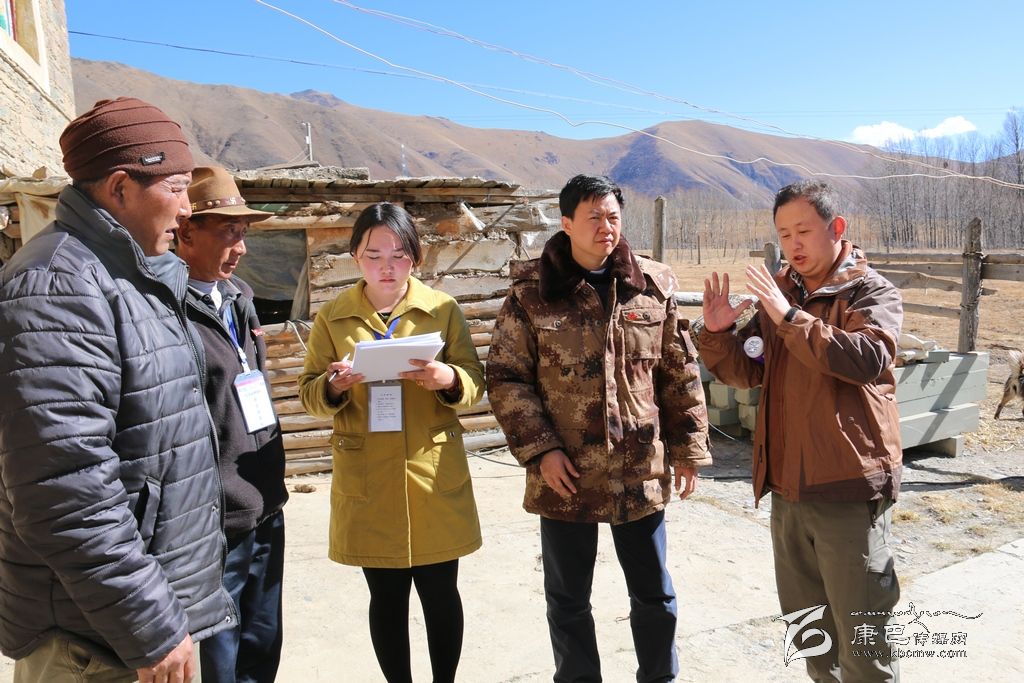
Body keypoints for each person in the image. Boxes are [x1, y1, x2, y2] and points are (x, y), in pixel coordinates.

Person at [0, 97, 234, 682]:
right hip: (97, 642)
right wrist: (149, 624)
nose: (187, 208)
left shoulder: (134, 277)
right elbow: (63, 490)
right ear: (121, 188)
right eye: (176, 188)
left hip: (134, 623)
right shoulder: (56, 287)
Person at [487, 174, 711, 683]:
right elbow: (505, 377)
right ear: (566, 223)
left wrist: (688, 449)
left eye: (613, 217)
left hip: (639, 468)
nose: (606, 227)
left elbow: (678, 372)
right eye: (594, 217)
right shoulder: (532, 293)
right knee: (568, 600)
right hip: (566, 472)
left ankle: (660, 677)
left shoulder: (651, 285)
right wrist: (540, 450)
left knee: (654, 594)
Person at [699, 180, 903, 682]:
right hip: (788, 490)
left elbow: (866, 359)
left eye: (803, 231)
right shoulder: (783, 293)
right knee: (812, 638)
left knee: (864, 647)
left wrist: (789, 317)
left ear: (836, 229)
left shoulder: (871, 291)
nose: (793, 244)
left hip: (847, 489)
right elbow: (748, 372)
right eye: (784, 234)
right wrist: (719, 334)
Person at [297, 202, 484, 683]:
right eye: (374, 255)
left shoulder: (442, 310)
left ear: (416, 258)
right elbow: (309, 393)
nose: (387, 266)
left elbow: (474, 381)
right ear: (355, 257)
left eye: (399, 255)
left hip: (431, 473)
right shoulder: (333, 318)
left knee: (441, 593)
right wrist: (334, 386)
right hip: (369, 480)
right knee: (386, 596)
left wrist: (447, 378)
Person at [175, 166, 289, 682]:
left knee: (262, 643)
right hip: (214, 520)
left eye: (243, 232)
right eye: (228, 232)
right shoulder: (167, 310)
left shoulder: (239, 297)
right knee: (218, 656)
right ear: (186, 232)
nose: (240, 247)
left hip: (265, 502)